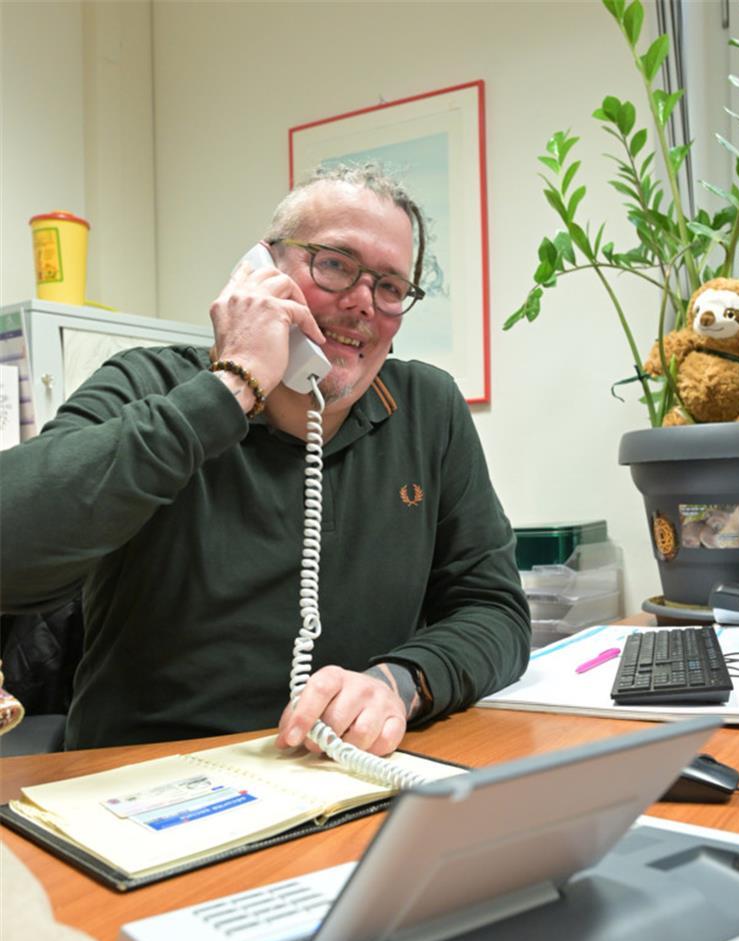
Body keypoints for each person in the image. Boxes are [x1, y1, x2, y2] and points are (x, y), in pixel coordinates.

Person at [0, 164, 530, 754]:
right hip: (145, 785)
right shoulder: (149, 383)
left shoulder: (428, 409)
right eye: (334, 264)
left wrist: (399, 683)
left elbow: (494, 609)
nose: (362, 303)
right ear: (261, 270)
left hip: (345, 777)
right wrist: (233, 386)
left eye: (390, 287)